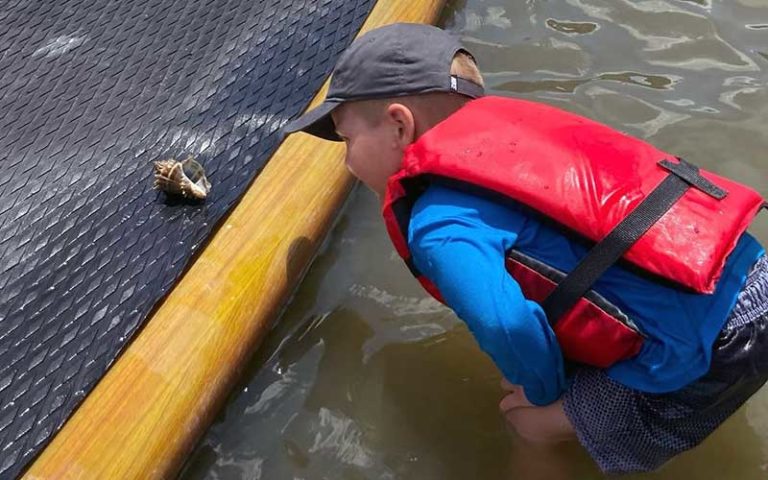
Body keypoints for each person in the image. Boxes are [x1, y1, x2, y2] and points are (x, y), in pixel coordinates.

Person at [282, 23, 768, 476]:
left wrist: (544, 398)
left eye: (346, 140)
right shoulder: (513, 143)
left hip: (715, 347)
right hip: (751, 275)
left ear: (399, 126)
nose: (346, 162)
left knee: (526, 422)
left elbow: (507, 323)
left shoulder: (438, 226)